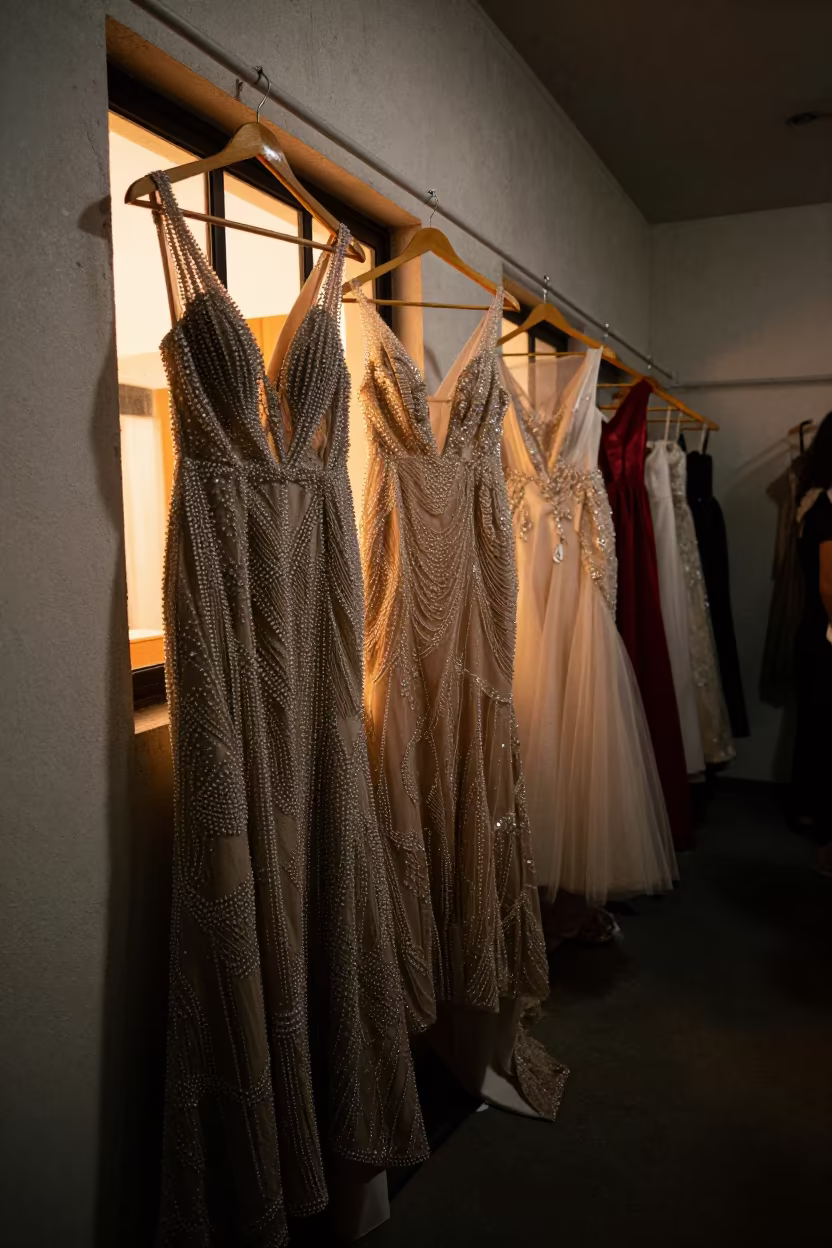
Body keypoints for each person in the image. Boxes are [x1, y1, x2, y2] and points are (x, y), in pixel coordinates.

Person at [791, 411, 832, 872]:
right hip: (823, 635)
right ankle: (824, 837)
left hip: (813, 631)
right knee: (824, 734)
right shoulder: (824, 510)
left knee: (817, 730)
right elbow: (828, 584)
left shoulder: (811, 501)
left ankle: (811, 817)